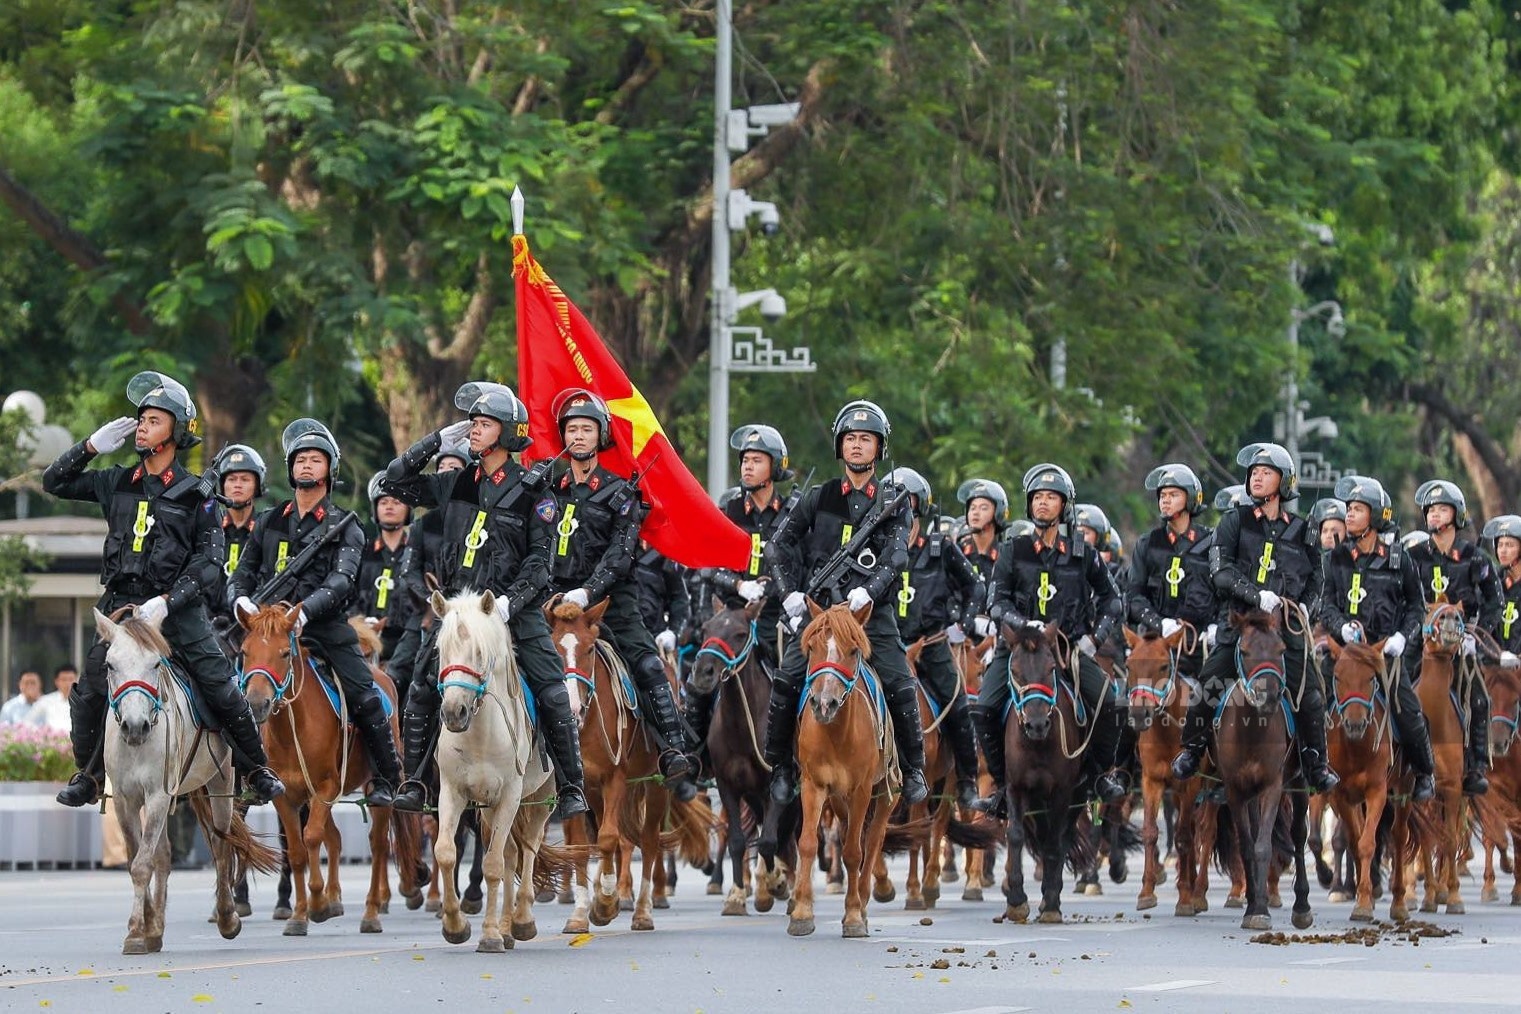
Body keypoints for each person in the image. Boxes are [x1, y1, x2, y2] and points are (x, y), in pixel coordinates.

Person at [42, 371, 283, 806]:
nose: (142, 426)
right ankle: (89, 776)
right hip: (119, 608)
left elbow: (210, 565)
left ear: (175, 431)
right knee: (89, 691)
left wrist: (168, 602)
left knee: (221, 685)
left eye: (153, 420)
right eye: (141, 419)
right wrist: (90, 447)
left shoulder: (198, 495)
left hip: (175, 608)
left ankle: (256, 768)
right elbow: (52, 482)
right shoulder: (114, 482)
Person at [384, 383, 588, 817]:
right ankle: (416, 781)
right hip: (461, 613)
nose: (473, 431)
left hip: (513, 612)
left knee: (553, 690)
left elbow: (540, 564)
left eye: (483, 424)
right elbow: (394, 482)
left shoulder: (535, 492)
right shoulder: (456, 483)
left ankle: (572, 786)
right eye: (472, 424)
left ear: (508, 432)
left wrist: (510, 604)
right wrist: (436, 441)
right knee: (421, 683)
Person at [763, 400, 930, 806]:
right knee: (786, 679)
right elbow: (777, 546)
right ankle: (782, 767)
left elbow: (897, 556)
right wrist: (790, 597)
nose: (857, 446)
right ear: (840, 446)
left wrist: (870, 590)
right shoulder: (819, 497)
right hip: (821, 616)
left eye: (866, 439)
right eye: (851, 439)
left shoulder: (893, 501)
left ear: (879, 448)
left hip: (871, 616)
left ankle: (913, 770)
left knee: (900, 683)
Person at [228, 418, 399, 807]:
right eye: (300, 459)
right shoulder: (268, 521)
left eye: (315, 460)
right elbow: (244, 572)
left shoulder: (346, 526)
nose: (306, 465)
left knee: (367, 694)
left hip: (323, 627)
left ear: (329, 470)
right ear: (290, 469)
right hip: (270, 628)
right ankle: (249, 775)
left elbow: (342, 581)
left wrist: (306, 612)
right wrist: (240, 600)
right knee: (233, 694)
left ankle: (388, 777)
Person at [542, 388, 698, 802]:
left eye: (586, 429)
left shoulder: (620, 492)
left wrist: (588, 590)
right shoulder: (546, 489)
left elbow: (621, 554)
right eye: (571, 429)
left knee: (647, 665)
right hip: (552, 608)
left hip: (609, 604)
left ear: (601, 437)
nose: (578, 436)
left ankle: (671, 747)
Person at [1171, 442, 1339, 794]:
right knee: (1209, 683)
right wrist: (1254, 595)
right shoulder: (1234, 521)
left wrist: (1306, 605)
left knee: (1311, 694)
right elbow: (1220, 571)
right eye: (1253, 473)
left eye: (1266, 472)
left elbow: (1316, 578)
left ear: (1284, 481)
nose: (1257, 478)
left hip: (1284, 629)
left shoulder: (1304, 529)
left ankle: (1315, 762)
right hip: (1242, 625)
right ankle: (1192, 749)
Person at [973, 463, 1132, 812]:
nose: (1043, 503)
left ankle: (1098, 775)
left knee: (1110, 703)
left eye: (1051, 497)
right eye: (1037, 497)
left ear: (1065, 506)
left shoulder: (1083, 553)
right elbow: (995, 603)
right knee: (983, 708)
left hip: (1065, 650)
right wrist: (1023, 624)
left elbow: (1113, 600)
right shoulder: (1013, 549)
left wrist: (1094, 639)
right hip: (1018, 648)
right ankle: (1001, 786)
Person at [1316, 475, 1435, 802]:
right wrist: (1340, 627)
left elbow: (1416, 607)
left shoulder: (1399, 558)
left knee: (1409, 710)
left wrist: (1402, 636)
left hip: (1384, 653)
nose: (1349, 515)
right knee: (1312, 701)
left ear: (1376, 514)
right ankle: (1309, 767)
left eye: (1357, 509)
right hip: (1345, 652)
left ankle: (1424, 773)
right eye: (1348, 509)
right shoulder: (1335, 558)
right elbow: (1325, 604)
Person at [687, 425, 797, 751]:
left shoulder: (793, 514)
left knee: (793, 679)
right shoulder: (728, 511)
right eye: (745, 460)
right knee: (701, 673)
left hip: (778, 617)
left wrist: (778, 592)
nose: (747, 466)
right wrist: (737, 584)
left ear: (775, 467)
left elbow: (804, 564)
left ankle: (787, 759)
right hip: (733, 613)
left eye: (757, 460)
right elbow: (705, 566)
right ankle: (695, 755)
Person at [885, 466, 985, 808]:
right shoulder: (873, 551)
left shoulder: (941, 548)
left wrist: (964, 625)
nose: (899, 511)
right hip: (885, 645)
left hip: (931, 644)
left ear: (920, 508)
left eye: (906, 503)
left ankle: (968, 781)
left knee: (957, 704)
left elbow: (976, 587)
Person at [1404, 479, 1502, 795]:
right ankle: (1396, 758)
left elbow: (1495, 602)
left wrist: (1477, 632)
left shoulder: (1476, 558)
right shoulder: (1413, 556)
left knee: (1480, 698)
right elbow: (1403, 597)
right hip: (1422, 640)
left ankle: (1474, 768)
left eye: (1441, 509)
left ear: (1456, 516)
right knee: (1393, 687)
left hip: (1461, 642)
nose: (1434, 515)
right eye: (1430, 510)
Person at [387, 442, 469, 701]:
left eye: (453, 470)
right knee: (397, 670)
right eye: (441, 469)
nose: (445, 474)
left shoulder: (478, 517)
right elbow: (409, 572)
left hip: (467, 609)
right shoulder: (423, 524)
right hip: (427, 610)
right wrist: (429, 599)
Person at [1127, 463, 1216, 680]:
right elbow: (1135, 597)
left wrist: (1217, 627)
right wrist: (1160, 623)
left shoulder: (1212, 542)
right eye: (1162, 495)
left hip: (1203, 642)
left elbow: (1223, 592)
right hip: (1157, 642)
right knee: (1130, 700)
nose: (1165, 500)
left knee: (1230, 698)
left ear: (1192, 498)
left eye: (1173, 494)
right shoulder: (1147, 543)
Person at [207, 444, 267, 638]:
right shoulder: (207, 529)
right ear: (222, 485)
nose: (237, 485)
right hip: (207, 625)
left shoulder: (266, 531)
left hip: (252, 626)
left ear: (257, 485)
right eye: (231, 479)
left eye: (245, 479)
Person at [353, 472, 413, 663]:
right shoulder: (361, 554)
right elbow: (347, 597)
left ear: (408, 509)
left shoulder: (417, 555)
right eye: (384, 501)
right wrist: (361, 623)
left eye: (396, 502)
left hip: (406, 647)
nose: (389, 506)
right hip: (361, 642)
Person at [1481, 515, 1521, 669]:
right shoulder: (1490, 584)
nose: (1503, 550)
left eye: (1510, 545)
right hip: (1494, 664)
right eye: (1500, 545)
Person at [956, 479, 1010, 581]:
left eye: (983, 508)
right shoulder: (956, 554)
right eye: (972, 508)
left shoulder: (1007, 556)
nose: (975, 512)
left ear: (998, 513)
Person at [30, 666, 77, 730]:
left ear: (76, 680)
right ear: (56, 682)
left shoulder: (83, 701)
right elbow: (28, 722)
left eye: (71, 679)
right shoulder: (46, 700)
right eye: (64, 680)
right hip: (52, 739)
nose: (67, 683)